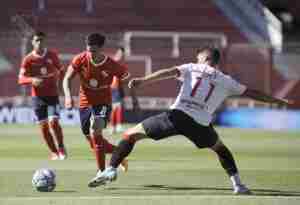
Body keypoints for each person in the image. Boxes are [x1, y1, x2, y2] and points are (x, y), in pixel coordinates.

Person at [88, 45, 292, 194]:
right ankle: (238, 185)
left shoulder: (192, 67)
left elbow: (168, 72)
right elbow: (253, 93)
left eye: (198, 57)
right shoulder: (227, 80)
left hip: (176, 116)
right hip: (201, 124)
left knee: (130, 135)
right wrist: (278, 101)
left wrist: (144, 80)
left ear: (203, 58)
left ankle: (111, 170)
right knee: (220, 148)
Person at [63, 33, 129, 172]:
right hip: (84, 102)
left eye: (93, 51)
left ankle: (102, 172)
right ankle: (119, 154)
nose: (90, 54)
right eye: (88, 50)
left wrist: (131, 85)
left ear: (101, 48)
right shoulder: (80, 59)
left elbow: (126, 77)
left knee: (95, 128)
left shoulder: (111, 64)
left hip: (103, 102)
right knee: (94, 142)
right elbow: (67, 78)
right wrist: (68, 97)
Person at [18, 31, 67, 160]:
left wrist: (62, 86)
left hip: (52, 95)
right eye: (37, 40)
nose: (39, 43)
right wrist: (32, 80)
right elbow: (21, 78)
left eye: (41, 40)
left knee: (54, 122)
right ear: (32, 42)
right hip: (37, 98)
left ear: (45, 41)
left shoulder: (52, 56)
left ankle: (61, 148)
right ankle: (54, 152)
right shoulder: (28, 59)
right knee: (44, 127)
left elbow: (63, 71)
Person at [110, 47, 126, 134]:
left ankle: (113, 127)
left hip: (118, 87)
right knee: (117, 106)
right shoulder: (114, 62)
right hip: (114, 87)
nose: (121, 56)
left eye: (122, 54)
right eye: (120, 53)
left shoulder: (120, 63)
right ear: (117, 53)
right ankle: (117, 126)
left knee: (116, 107)